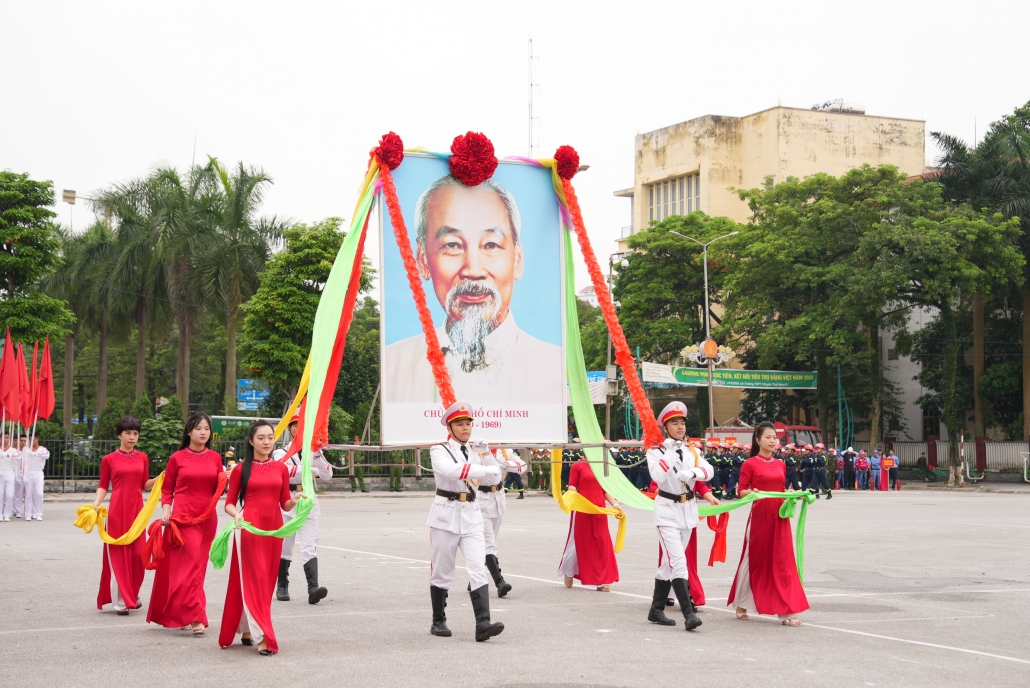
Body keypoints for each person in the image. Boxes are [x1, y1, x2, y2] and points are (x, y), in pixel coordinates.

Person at [383, 177, 562, 404]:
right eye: (452, 245)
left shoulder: (554, 366)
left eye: (491, 245)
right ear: (423, 259)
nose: (473, 270)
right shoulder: (393, 364)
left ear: (517, 259)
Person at [220, 420, 308, 656]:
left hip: (273, 531)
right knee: (255, 579)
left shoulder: (280, 468)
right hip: (249, 528)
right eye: (261, 438)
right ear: (251, 441)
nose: (267, 441)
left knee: (265, 582)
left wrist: (296, 499)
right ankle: (263, 637)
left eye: (270, 437)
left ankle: (247, 629)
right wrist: (237, 515)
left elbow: (284, 503)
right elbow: (228, 503)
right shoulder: (241, 469)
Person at [427, 401, 504, 641]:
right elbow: (450, 471)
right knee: (443, 571)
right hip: (445, 515)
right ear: (449, 428)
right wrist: (481, 468)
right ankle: (438, 620)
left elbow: (495, 475)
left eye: (468, 423)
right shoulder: (438, 449)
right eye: (459, 424)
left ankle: (483, 624)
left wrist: (488, 454)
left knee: (478, 568)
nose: (465, 428)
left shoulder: (474, 452)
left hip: (471, 515)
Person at [148, 412, 226, 636]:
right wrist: (166, 513)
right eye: (198, 428)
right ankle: (195, 617)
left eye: (206, 429)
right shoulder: (177, 458)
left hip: (207, 519)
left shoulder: (215, 458)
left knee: (198, 568)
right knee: (190, 566)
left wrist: (227, 479)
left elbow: (220, 486)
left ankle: (184, 612)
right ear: (189, 431)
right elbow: (167, 489)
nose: (203, 432)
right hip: (183, 519)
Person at [728, 421, 809, 626]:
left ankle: (788, 611)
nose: (773, 441)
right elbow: (741, 491)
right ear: (758, 440)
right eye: (768, 437)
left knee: (783, 563)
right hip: (760, 517)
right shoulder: (750, 464)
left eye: (775, 437)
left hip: (779, 517)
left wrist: (794, 495)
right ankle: (742, 602)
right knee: (756, 560)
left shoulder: (781, 464)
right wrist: (754, 493)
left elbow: (780, 489)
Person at [645, 401, 714, 631]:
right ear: (666, 427)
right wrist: (672, 454)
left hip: (687, 511)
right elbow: (658, 476)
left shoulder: (692, 450)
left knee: (668, 563)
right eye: (674, 423)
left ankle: (656, 610)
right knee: (678, 562)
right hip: (666, 512)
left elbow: (708, 471)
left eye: (682, 422)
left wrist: (691, 472)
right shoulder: (656, 451)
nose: (680, 426)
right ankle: (688, 614)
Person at [93, 417, 156, 614]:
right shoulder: (109, 459)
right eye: (128, 433)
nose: (132, 437)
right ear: (119, 434)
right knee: (120, 556)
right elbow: (104, 485)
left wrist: (159, 479)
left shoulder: (142, 457)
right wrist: (96, 503)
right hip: (117, 511)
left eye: (135, 433)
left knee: (138, 555)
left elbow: (143, 484)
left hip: (137, 511)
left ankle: (132, 592)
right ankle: (121, 602)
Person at [273, 416, 333, 604]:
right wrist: (310, 469)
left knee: (309, 547)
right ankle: (282, 585)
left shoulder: (313, 451)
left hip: (308, 502)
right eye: (295, 425)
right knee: (285, 547)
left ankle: (312, 588)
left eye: (303, 426)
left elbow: (328, 474)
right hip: (288, 501)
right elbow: (285, 472)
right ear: (289, 428)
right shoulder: (280, 452)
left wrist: (316, 456)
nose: (298, 428)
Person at [559, 444, 622, 594]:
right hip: (582, 509)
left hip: (599, 511)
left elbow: (605, 490)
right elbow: (571, 485)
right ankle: (569, 571)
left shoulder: (602, 467)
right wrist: (572, 489)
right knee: (579, 542)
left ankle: (602, 580)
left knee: (601, 543)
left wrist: (615, 504)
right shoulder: (578, 465)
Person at [479, 446, 527, 596]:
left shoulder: (505, 451)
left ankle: (476, 577)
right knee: (489, 543)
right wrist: (495, 464)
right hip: (480, 499)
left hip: (498, 499)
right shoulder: (474, 450)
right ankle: (500, 582)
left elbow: (522, 466)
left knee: (488, 542)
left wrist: (504, 465)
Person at [22, 435, 49, 520]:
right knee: (28, 494)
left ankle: (38, 513)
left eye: (33, 439)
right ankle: (28, 514)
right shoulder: (26, 449)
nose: (32, 441)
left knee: (39, 493)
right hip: (29, 472)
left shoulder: (43, 449)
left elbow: (47, 456)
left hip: (38, 472)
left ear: (37, 439)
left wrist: (35, 454)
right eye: (30, 439)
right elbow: (23, 460)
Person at [0, 433, 15, 521]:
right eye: (3, 437)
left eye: (7, 437)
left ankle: (7, 514)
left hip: (9, 473)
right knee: (0, 494)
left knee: (9, 495)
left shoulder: (13, 450)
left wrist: (7, 455)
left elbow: (18, 457)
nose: (5, 439)